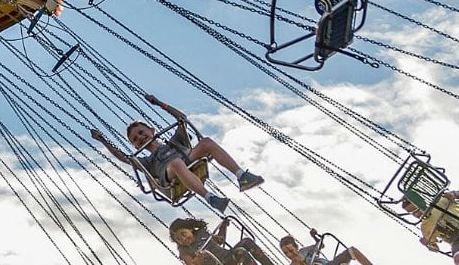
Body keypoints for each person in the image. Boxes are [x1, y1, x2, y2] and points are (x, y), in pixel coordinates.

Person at [90, 95, 264, 213]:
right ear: (135, 146)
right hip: (170, 175)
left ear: (151, 130)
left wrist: (159, 104)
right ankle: (210, 198)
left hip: (186, 159)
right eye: (136, 139)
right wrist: (103, 141)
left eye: (142, 133)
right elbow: (123, 158)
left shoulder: (174, 142)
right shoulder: (147, 160)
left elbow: (182, 119)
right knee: (176, 164)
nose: (140, 138)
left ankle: (242, 176)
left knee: (206, 142)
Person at [169, 217, 275, 265]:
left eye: (183, 234)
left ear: (190, 229)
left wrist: (223, 227)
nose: (183, 239)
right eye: (178, 239)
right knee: (241, 252)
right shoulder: (184, 250)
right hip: (219, 263)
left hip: (227, 255)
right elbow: (192, 264)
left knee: (246, 242)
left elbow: (220, 240)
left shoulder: (202, 233)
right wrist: (198, 260)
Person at [278, 231, 372, 265]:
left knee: (352, 251)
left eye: (291, 250)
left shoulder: (305, 251)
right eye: (286, 253)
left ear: (296, 247)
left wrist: (314, 236)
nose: (290, 254)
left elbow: (321, 245)